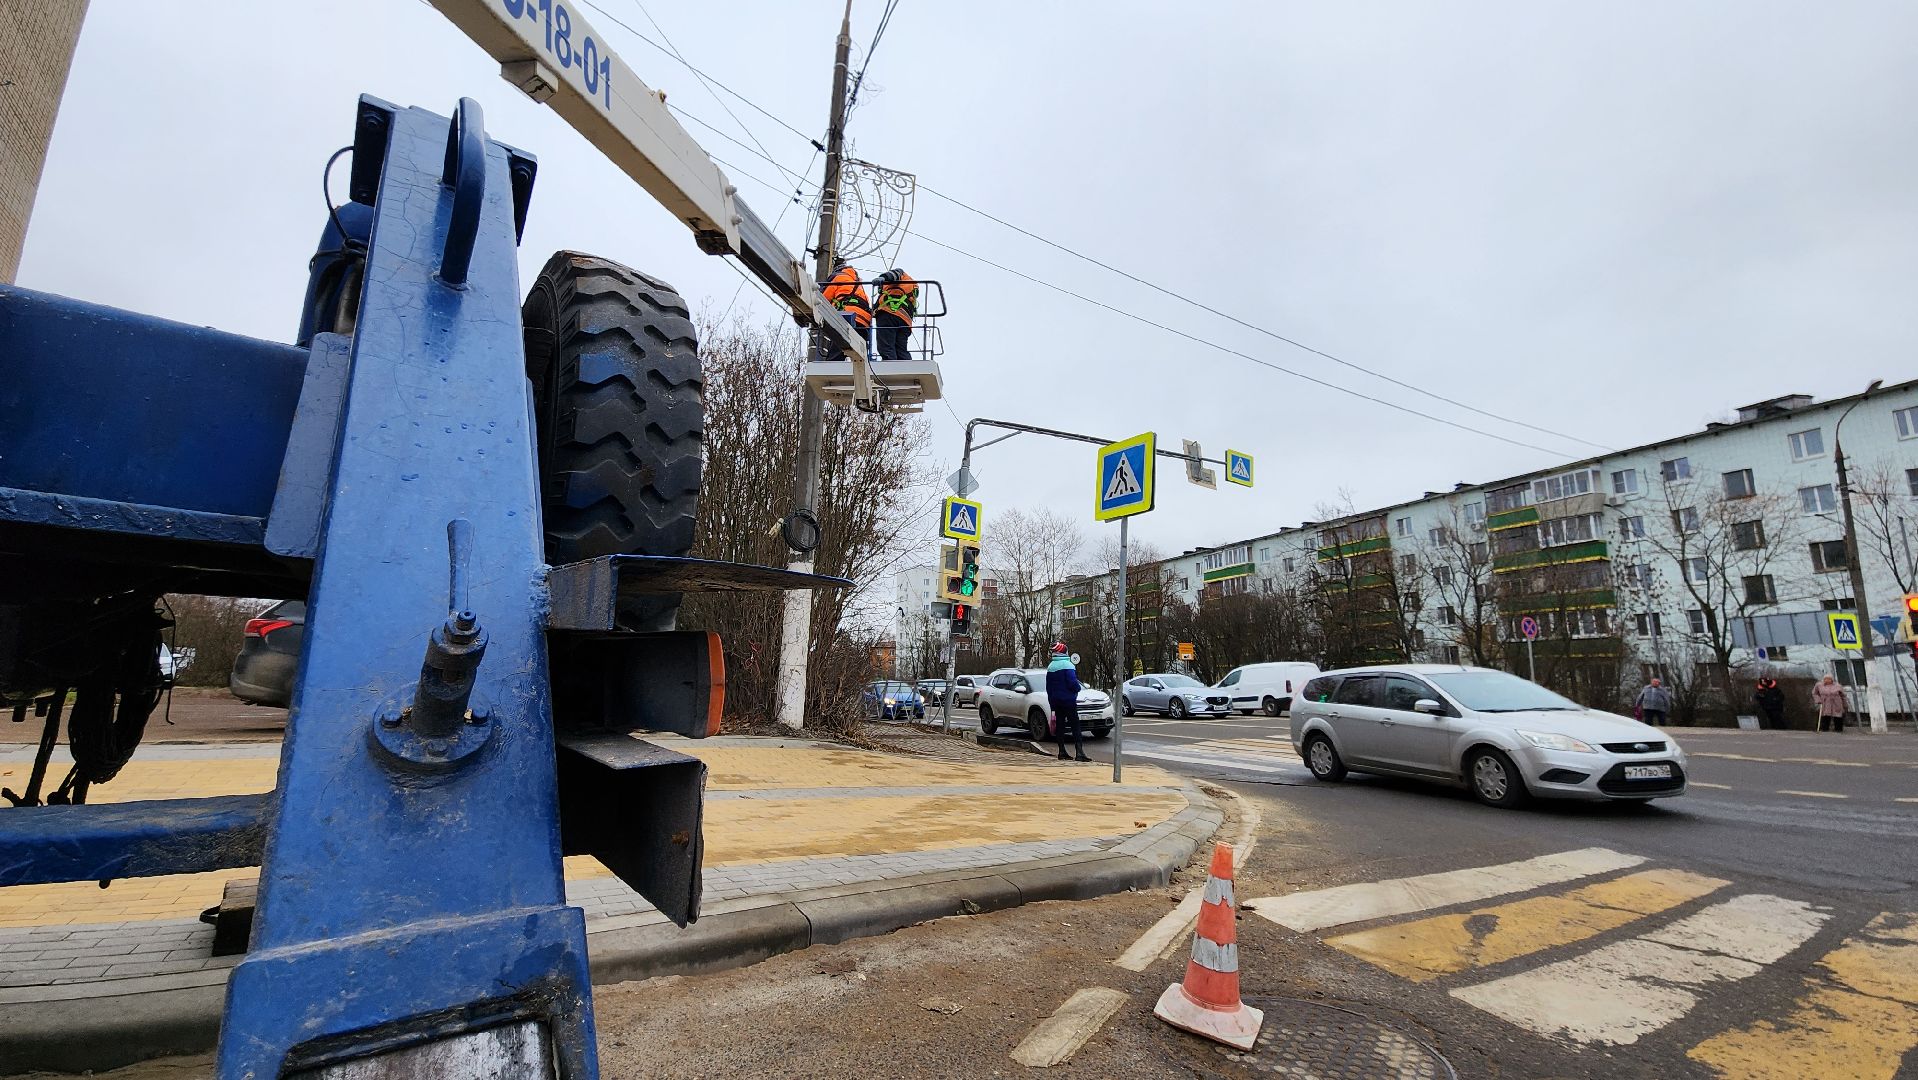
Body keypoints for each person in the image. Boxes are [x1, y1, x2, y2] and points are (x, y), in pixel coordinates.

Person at [1046, 643, 1090, 762]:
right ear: (1065, 652)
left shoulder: (1051, 666)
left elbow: (1048, 687)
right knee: (1075, 725)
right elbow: (1072, 682)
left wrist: (1052, 702)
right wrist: (1077, 688)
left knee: (1060, 726)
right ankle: (1079, 752)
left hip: (1056, 701)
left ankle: (1061, 751)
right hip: (1068, 700)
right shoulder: (1068, 664)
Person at [821, 260, 871, 354]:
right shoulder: (858, 284)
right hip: (864, 322)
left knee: (836, 355)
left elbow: (823, 298)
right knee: (860, 355)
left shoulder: (838, 277)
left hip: (847, 317)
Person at [872, 267, 918, 363]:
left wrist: (883, 278)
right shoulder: (910, 285)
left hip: (889, 314)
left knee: (886, 346)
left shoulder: (900, 274)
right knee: (900, 349)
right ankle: (906, 368)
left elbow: (893, 274)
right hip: (904, 320)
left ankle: (889, 367)